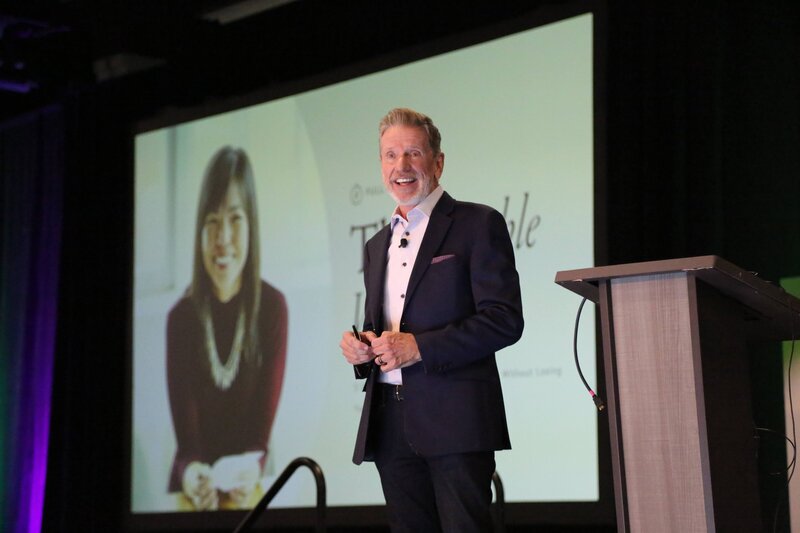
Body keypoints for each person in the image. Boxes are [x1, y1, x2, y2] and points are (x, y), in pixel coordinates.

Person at [340, 108, 524, 532]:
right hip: (389, 422)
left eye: (412, 153)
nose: (400, 166)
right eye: (389, 155)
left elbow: (504, 320)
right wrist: (362, 349)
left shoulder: (478, 224)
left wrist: (419, 347)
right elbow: (382, 326)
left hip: (456, 421)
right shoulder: (375, 244)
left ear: (437, 162)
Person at [166, 146, 287, 510]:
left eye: (235, 219)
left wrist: (250, 468)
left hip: (249, 481)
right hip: (195, 488)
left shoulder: (272, 308)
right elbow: (187, 446)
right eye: (212, 221)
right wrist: (191, 473)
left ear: (251, 224)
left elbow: (260, 440)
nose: (223, 239)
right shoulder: (181, 317)